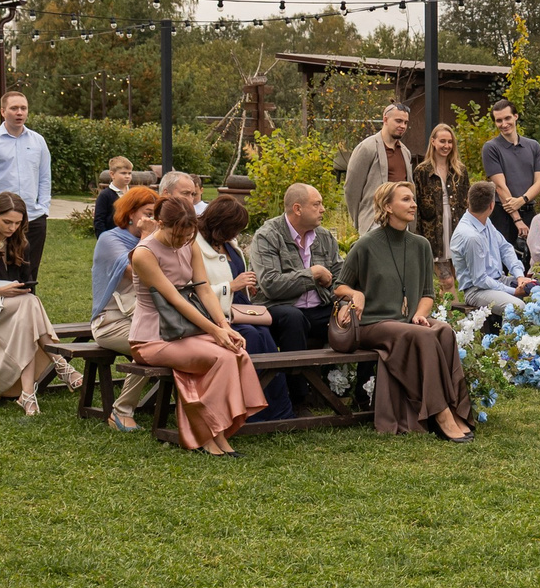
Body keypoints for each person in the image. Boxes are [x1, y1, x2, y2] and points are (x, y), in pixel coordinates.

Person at [104, 197, 266, 454]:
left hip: (184, 333)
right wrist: (215, 331)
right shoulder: (144, 254)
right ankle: (206, 434)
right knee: (220, 358)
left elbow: (203, 289)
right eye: (175, 235)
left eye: (187, 236)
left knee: (237, 352)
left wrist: (224, 325)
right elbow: (176, 301)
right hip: (151, 339)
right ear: (160, 224)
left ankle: (219, 434)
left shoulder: (190, 245)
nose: (181, 241)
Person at [335, 180, 474, 441]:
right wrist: (355, 294)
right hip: (373, 324)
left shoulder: (421, 245)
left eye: (413, 199)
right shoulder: (365, 245)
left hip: (405, 322)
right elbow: (338, 286)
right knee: (423, 335)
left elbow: (426, 294)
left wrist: (420, 314)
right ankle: (440, 413)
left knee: (443, 330)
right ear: (387, 207)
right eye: (406, 200)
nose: (414, 204)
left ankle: (455, 408)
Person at [0, 191, 83, 416]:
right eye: (7, 222)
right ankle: (60, 364)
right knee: (29, 304)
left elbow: (26, 284)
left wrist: (20, 289)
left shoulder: (21, 243)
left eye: (17, 223)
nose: (12, 228)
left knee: (29, 305)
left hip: (15, 311)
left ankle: (27, 395)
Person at [248, 182, 344, 407]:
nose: (323, 209)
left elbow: (339, 275)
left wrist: (344, 298)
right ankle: (298, 398)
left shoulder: (324, 237)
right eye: (317, 204)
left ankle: (353, 389)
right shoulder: (268, 236)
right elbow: (271, 285)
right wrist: (313, 274)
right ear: (298, 209)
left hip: (317, 307)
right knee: (293, 318)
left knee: (351, 317)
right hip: (276, 307)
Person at [199, 195, 293, 422]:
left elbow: (237, 277)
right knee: (250, 336)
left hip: (242, 310)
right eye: (233, 228)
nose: (236, 234)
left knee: (265, 335)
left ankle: (278, 409)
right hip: (215, 316)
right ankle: (250, 411)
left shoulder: (230, 246)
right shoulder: (196, 248)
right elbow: (194, 291)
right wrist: (231, 286)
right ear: (220, 224)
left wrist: (248, 288)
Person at [0, 91, 54, 280]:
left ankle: (28, 307)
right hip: (1, 219)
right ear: (3, 111)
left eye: (23, 108)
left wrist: (43, 208)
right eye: (14, 108)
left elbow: (44, 177)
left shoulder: (38, 141)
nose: (19, 113)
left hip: (33, 218)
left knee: (30, 272)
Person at [449, 181, 535, 318]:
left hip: (498, 280)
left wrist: (520, 277)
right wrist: (513, 292)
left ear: (469, 202)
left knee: (538, 288)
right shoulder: (470, 236)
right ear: (491, 205)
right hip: (477, 290)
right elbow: (480, 280)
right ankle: (508, 339)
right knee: (517, 307)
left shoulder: (485, 220)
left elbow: (505, 248)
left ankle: (537, 338)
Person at [478, 98, 540, 255]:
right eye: (499, 120)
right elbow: (500, 187)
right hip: (503, 214)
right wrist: (517, 219)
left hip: (529, 210)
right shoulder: (491, 148)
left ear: (516, 116)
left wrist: (522, 200)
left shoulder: (533, 146)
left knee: (531, 263)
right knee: (502, 264)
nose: (504, 124)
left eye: (507, 118)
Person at [341, 102, 417, 238]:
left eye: (405, 122)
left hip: (400, 221)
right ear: (385, 119)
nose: (403, 126)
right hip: (375, 221)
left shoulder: (405, 152)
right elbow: (352, 189)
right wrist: (359, 221)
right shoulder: (367, 148)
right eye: (398, 121)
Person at [89, 184, 159, 326]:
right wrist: (146, 236)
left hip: (148, 315)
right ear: (130, 214)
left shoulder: (156, 239)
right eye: (148, 214)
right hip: (112, 319)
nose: (153, 220)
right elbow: (137, 274)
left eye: (156, 215)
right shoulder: (109, 239)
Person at [413, 121, 467, 269]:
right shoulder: (422, 171)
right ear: (433, 141)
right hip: (433, 228)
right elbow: (416, 205)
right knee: (445, 279)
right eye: (442, 141)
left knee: (459, 275)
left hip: (456, 224)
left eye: (450, 142)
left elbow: (466, 202)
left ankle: (452, 293)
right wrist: (417, 235)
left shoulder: (460, 171)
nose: (446, 145)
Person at [93, 156, 135, 242]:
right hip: (112, 238)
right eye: (123, 173)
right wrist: (104, 240)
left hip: (131, 238)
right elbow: (99, 221)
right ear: (112, 174)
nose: (127, 176)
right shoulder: (105, 195)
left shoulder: (132, 194)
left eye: (129, 173)